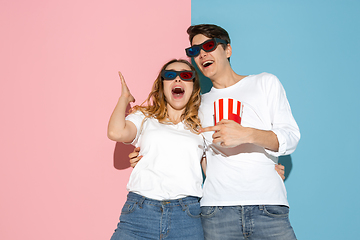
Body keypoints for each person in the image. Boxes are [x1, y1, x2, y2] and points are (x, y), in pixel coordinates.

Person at [131, 24, 300, 240]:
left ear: (227, 50)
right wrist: (144, 157)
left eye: (209, 46)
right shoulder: (197, 104)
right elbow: (186, 147)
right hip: (216, 212)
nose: (201, 54)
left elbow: (291, 137)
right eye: (194, 51)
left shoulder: (265, 83)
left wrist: (247, 134)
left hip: (267, 206)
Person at [107, 59, 205, 239]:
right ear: (162, 85)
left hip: (187, 216)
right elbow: (116, 132)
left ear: (193, 86)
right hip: (140, 211)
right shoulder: (144, 116)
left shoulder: (202, 125)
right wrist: (124, 99)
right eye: (170, 75)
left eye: (185, 75)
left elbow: (215, 169)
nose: (177, 80)